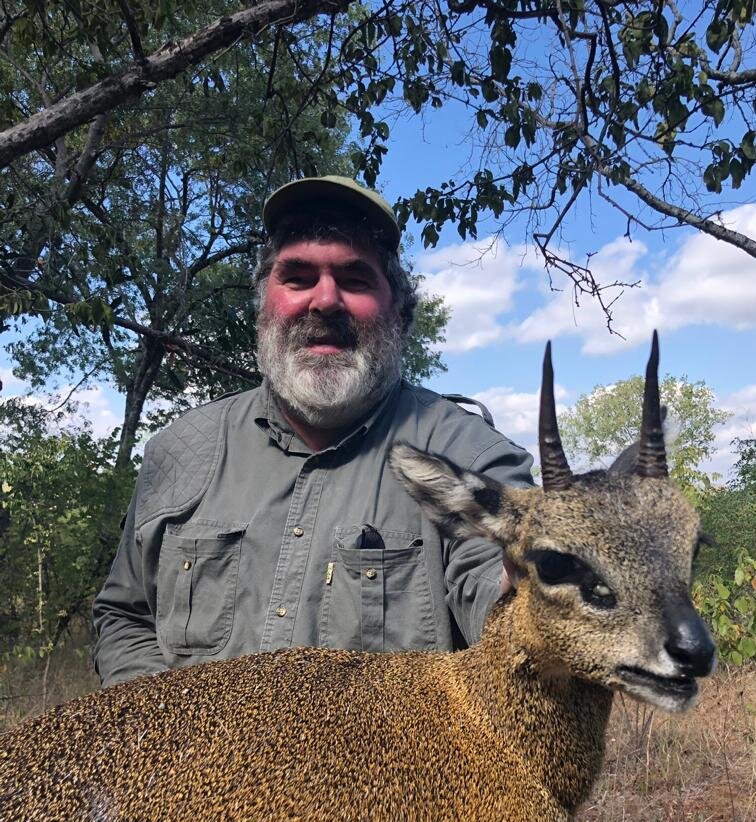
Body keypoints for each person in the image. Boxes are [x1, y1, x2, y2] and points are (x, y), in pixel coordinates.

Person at [92, 176, 535, 688]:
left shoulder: (470, 457)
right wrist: (169, 734)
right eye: (298, 277)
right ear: (263, 307)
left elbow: (498, 595)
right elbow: (124, 617)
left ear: (400, 312)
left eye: (355, 278)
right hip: (185, 765)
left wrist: (530, 585)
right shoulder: (178, 451)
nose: (325, 301)